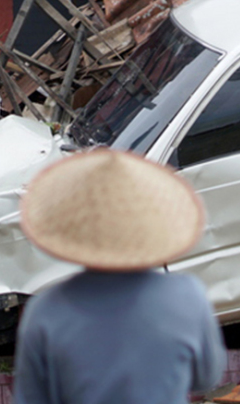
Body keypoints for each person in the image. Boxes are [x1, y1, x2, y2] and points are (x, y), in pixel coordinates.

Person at [13, 148, 227, 404]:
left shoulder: (45, 311)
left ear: (75, 231)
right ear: (152, 226)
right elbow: (207, 378)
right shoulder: (188, 296)